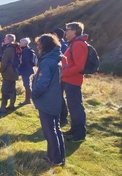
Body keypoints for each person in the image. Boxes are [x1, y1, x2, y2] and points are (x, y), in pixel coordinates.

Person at [32, 33, 65, 166]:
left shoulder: (47, 61)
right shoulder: (55, 59)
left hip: (47, 101)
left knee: (49, 131)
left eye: (39, 44)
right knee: (56, 129)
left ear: (44, 45)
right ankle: (59, 157)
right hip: (55, 99)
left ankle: (54, 160)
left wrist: (33, 95)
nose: (38, 46)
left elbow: (42, 84)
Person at [62, 22, 88, 142]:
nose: (65, 32)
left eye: (68, 29)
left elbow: (79, 66)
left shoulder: (78, 45)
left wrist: (63, 73)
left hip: (73, 81)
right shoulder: (73, 44)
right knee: (72, 106)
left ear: (75, 31)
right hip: (69, 80)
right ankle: (74, 129)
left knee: (76, 107)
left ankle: (80, 134)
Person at [0, 34, 19, 114]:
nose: (4, 40)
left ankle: (3, 108)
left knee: (4, 90)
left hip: (8, 71)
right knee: (12, 89)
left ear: (9, 40)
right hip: (14, 71)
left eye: (5, 38)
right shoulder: (15, 47)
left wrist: (2, 70)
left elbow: (4, 62)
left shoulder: (9, 49)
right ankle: (11, 105)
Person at [51, 28, 69, 126]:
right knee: (57, 95)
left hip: (61, 75)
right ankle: (58, 115)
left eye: (53, 34)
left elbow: (63, 61)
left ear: (56, 35)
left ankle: (63, 117)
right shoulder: (59, 45)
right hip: (57, 74)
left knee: (59, 96)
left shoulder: (63, 46)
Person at [18, 37, 35, 105]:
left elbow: (25, 61)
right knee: (27, 84)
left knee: (26, 84)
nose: (19, 44)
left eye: (21, 42)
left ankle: (27, 100)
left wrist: (19, 68)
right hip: (28, 69)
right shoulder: (28, 49)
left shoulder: (25, 51)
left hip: (26, 69)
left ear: (24, 43)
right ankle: (28, 98)